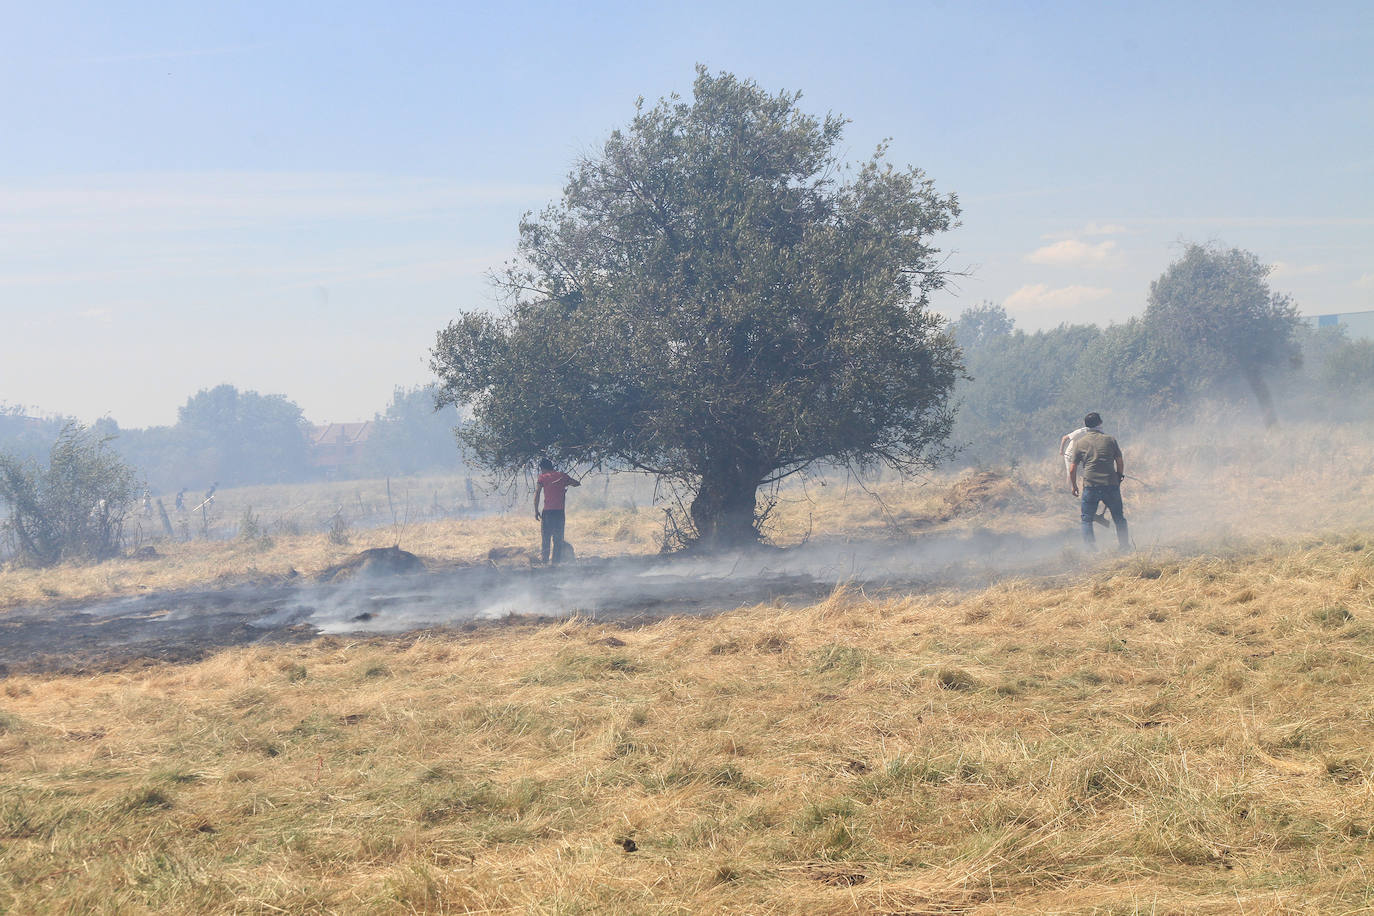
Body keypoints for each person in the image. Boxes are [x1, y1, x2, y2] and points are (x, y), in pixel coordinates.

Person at [1068, 412, 1130, 551]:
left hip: (1091, 486)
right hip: (1110, 484)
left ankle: (1091, 549)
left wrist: (1074, 486)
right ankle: (1124, 546)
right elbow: (1119, 461)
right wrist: (1119, 477)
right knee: (1118, 517)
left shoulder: (1079, 443)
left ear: (1086, 426)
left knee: (1087, 519)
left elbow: (1072, 469)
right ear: (1100, 423)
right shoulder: (1110, 440)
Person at [534, 458, 580, 565]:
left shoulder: (542, 477)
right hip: (559, 513)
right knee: (558, 539)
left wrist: (536, 510)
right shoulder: (562, 476)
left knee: (546, 538)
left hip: (547, 512)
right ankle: (555, 563)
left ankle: (544, 561)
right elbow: (576, 483)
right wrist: (566, 484)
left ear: (543, 468)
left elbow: (537, 493)